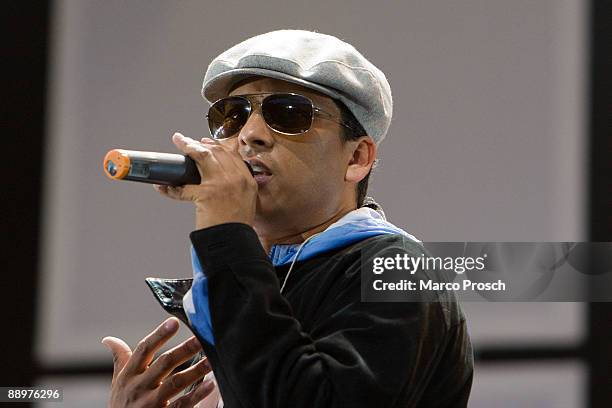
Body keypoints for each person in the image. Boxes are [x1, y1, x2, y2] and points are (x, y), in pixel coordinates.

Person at [102, 29, 473, 408]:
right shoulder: (240, 287)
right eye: (232, 116)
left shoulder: (395, 270)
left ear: (356, 158)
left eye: (289, 114)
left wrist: (227, 235)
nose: (250, 134)